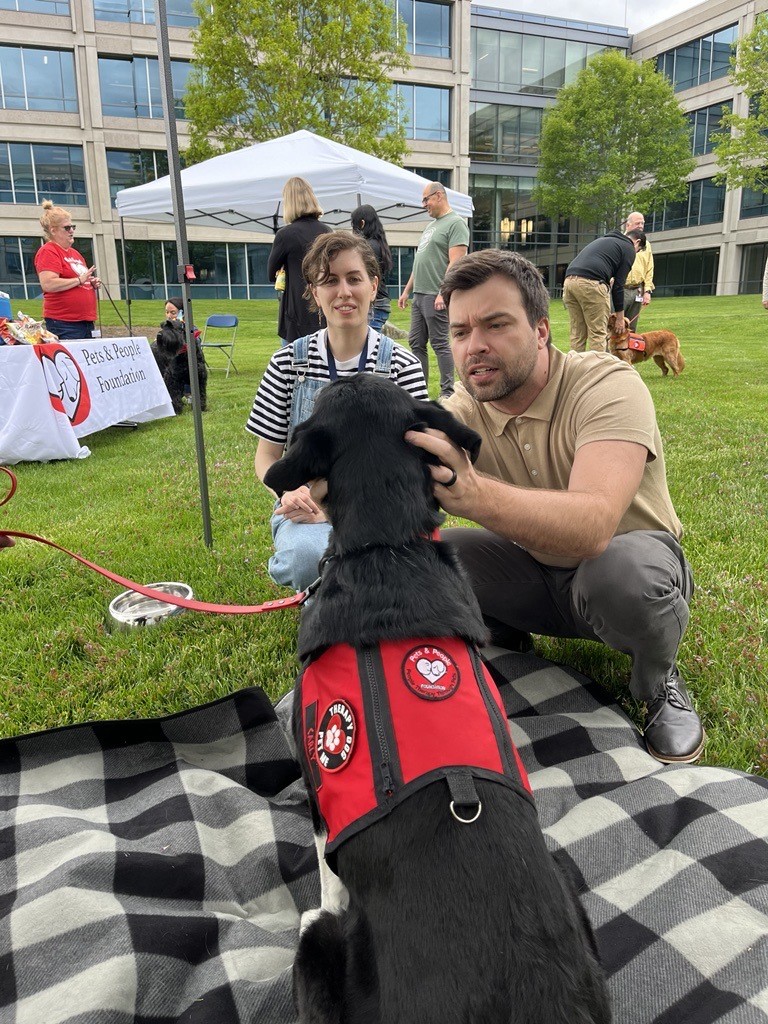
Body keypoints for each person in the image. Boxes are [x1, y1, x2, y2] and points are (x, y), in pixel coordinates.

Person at [405, 248, 704, 766]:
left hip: (625, 571)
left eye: (496, 324)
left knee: (620, 573)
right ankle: (506, 634)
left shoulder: (607, 383)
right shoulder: (466, 406)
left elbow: (592, 529)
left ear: (542, 328)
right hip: (538, 574)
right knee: (432, 557)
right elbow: (414, 440)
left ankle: (657, 683)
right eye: (459, 332)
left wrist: (474, 494)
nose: (474, 346)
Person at [247, 231, 428, 592]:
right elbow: (267, 457)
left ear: (374, 286)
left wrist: (327, 503)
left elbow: (412, 467)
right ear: (314, 293)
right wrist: (290, 494)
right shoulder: (287, 364)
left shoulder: (401, 366)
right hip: (303, 510)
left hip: (378, 509)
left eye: (354, 279)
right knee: (307, 557)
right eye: (330, 281)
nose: (344, 292)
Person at [397, 182, 469, 398]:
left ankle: (447, 392)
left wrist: (442, 292)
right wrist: (406, 290)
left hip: (435, 294)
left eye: (426, 199)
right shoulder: (431, 226)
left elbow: (456, 262)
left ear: (439, 196)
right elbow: (420, 260)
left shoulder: (456, 223)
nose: (424, 205)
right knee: (416, 342)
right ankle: (420, 389)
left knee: (439, 343)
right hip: (419, 294)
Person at [268, 178, 331, 345]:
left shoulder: (285, 235)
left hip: (295, 313)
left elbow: (270, 273)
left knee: (291, 365)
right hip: (322, 309)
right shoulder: (327, 232)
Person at [562, 227, 646, 352]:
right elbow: (618, 286)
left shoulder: (606, 240)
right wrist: (619, 318)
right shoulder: (629, 248)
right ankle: (598, 371)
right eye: (638, 251)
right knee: (598, 333)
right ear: (637, 242)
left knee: (577, 334)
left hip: (569, 282)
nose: (636, 253)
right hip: (591, 285)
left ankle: (574, 370)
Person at [34, 200, 101, 341]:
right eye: (67, 228)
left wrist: (90, 283)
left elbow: (79, 281)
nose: (72, 231)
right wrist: (79, 280)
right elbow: (48, 284)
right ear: (53, 230)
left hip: (86, 321)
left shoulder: (75, 254)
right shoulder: (48, 251)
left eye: (73, 227)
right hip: (65, 322)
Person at [350, 204, 393, 331]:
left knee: (369, 344)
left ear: (362, 223)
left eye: (354, 225)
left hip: (375, 304)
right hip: (380, 302)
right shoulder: (379, 243)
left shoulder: (368, 247)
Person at [622, 211, 655, 330]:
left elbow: (649, 268)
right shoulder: (620, 241)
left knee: (631, 328)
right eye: (637, 223)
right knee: (614, 324)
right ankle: (608, 349)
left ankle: (630, 349)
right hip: (620, 289)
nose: (640, 226)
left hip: (637, 290)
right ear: (628, 225)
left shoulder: (646, 245)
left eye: (642, 223)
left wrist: (647, 291)